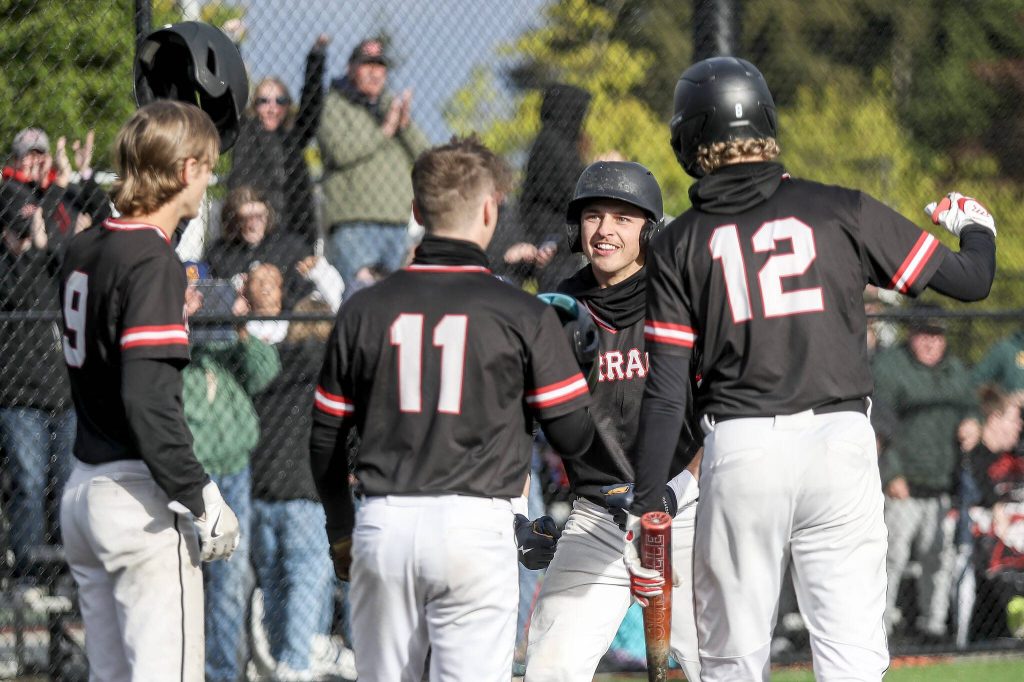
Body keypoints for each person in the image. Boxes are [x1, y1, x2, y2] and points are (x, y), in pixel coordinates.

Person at [629, 56, 997, 680]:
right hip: (840, 442)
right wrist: (978, 226)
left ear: (690, 138)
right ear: (767, 122)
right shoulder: (839, 208)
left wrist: (645, 502)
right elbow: (972, 280)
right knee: (852, 657)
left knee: (732, 660)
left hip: (742, 445)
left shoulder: (678, 241)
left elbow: (666, 394)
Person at [309, 137, 596, 681]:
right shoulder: (521, 312)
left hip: (384, 522)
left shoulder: (363, 309)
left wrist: (342, 529)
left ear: (416, 212)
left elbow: (324, 440)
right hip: (475, 525)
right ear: (490, 209)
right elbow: (574, 435)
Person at [57, 100, 242, 682]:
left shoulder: (86, 245)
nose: (208, 180)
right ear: (186, 170)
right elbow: (146, 398)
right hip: (138, 500)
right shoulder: (154, 259)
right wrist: (200, 494)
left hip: (84, 488)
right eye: (207, 167)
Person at [523, 160, 702, 681]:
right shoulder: (556, 310)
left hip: (687, 510)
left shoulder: (684, 299)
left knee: (716, 669)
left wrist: (674, 493)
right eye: (594, 216)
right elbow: (516, 419)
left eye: (623, 218)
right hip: (600, 515)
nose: (605, 231)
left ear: (649, 229)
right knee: (549, 670)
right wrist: (517, 514)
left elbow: (723, 417)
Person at [250, 294, 357, 681]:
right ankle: (294, 665)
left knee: (275, 582)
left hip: (261, 492)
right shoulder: (333, 371)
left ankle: (282, 658)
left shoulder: (271, 363)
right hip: (308, 492)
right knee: (305, 580)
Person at [181, 281, 281, 682]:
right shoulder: (175, 347)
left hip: (232, 471)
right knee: (183, 576)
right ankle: (182, 668)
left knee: (228, 578)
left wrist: (241, 327)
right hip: (190, 474)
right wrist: (181, 321)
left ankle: (222, 672)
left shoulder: (229, 348)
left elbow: (265, 371)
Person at [872, 303, 975, 643]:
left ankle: (934, 628)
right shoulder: (891, 367)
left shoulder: (954, 370)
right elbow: (876, 426)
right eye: (925, 334)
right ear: (911, 335)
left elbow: (971, 404)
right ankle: (880, 628)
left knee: (939, 561)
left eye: (938, 335)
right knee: (891, 559)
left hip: (941, 485)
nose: (932, 342)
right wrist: (891, 474)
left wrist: (974, 421)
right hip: (902, 486)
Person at [0, 181, 75, 578]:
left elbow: (75, 271)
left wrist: (45, 245)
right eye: (18, 225)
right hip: (18, 398)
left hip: (62, 397)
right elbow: (16, 292)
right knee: (29, 482)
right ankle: (28, 568)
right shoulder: (6, 267)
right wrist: (22, 250)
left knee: (68, 485)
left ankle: (65, 569)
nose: (25, 232)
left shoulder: (51, 260)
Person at [318, 37, 430, 287]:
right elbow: (340, 151)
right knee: (360, 298)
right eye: (366, 64)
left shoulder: (390, 105)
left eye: (380, 66)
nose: (374, 72)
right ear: (351, 68)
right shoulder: (333, 103)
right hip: (353, 224)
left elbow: (426, 156)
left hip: (398, 224)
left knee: (397, 302)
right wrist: (385, 130)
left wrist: (405, 126)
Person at [228, 35, 329, 245]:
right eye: (263, 101)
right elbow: (233, 93)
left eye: (280, 101)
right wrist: (234, 45)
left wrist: (316, 57)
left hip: (293, 226)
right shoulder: (245, 130)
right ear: (254, 105)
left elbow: (312, 102)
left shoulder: (294, 135)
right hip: (253, 223)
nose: (272, 108)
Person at [493, 84, 591, 292]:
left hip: (559, 233)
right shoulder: (551, 143)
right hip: (550, 233)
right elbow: (572, 191)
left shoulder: (561, 142)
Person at [206, 185, 341, 312]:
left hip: (285, 318)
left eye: (259, 217)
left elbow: (306, 292)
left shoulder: (290, 247)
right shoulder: (220, 253)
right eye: (245, 218)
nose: (253, 225)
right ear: (233, 221)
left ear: (267, 215)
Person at [961, 385, 1024, 640]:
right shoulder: (974, 456)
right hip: (984, 534)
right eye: (1013, 418)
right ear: (995, 419)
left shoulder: (1015, 456)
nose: (1019, 425)